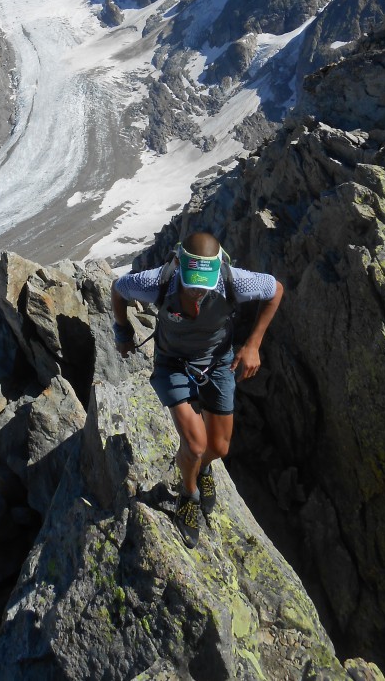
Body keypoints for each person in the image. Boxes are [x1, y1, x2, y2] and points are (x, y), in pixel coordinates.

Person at [111, 231, 283, 548]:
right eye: (190, 284)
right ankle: (188, 496)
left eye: (203, 286)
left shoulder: (234, 280)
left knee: (219, 448)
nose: (197, 294)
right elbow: (119, 290)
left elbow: (275, 290)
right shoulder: (157, 282)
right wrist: (121, 330)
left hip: (218, 362)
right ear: (180, 267)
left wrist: (253, 344)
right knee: (195, 445)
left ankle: (203, 469)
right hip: (173, 363)